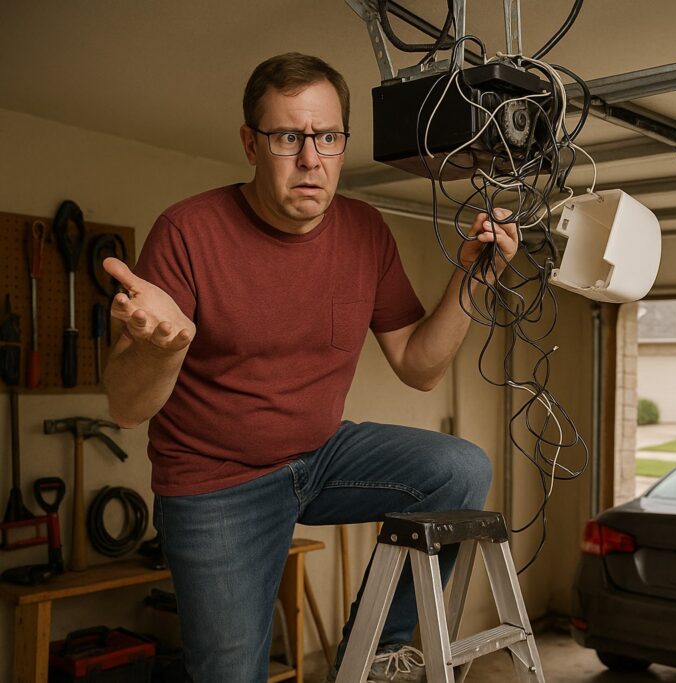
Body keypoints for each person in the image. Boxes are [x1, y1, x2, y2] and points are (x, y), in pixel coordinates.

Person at [101, 52, 517, 683]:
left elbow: (419, 365)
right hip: (215, 486)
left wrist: (474, 277)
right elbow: (128, 408)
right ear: (250, 143)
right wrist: (161, 349)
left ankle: (375, 652)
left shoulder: (365, 230)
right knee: (231, 674)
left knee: (459, 470)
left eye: (327, 136)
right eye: (287, 137)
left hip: (320, 458)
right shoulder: (187, 232)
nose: (310, 159)